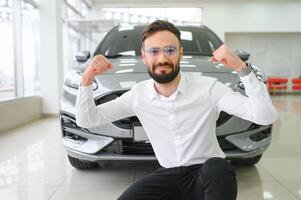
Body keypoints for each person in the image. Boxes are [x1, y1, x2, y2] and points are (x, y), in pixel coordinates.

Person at [75, 20, 277, 200]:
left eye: (169, 50)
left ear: (180, 53)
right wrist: (86, 80)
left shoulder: (208, 87)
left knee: (218, 167)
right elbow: (87, 121)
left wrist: (242, 68)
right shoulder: (137, 95)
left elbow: (265, 116)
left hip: (208, 175)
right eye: (154, 51)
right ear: (144, 57)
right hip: (168, 175)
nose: (162, 58)